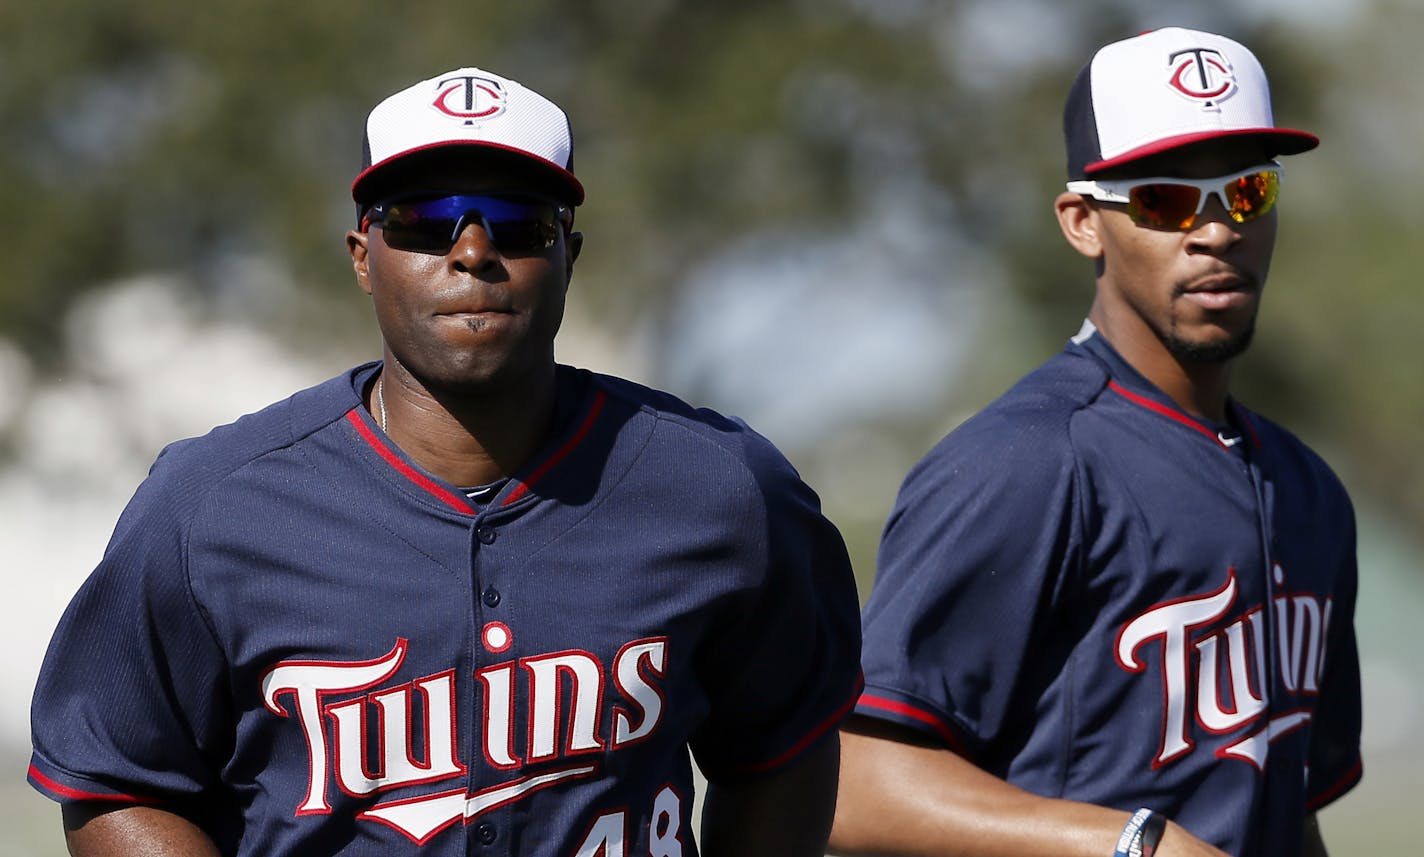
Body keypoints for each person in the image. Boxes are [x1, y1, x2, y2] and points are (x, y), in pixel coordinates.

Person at [28, 66, 863, 857]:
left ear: (571, 252)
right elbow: (115, 778)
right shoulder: (212, 506)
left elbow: (782, 748)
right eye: (426, 220)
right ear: (364, 254)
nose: (471, 251)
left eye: (518, 222)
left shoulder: (723, 489)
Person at [830, 27, 1361, 857]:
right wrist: (1134, 845)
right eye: (1164, 199)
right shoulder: (1024, 461)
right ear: (1083, 222)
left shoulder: (1309, 491)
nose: (1216, 231)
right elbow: (851, 784)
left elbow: (1289, 805)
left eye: (1247, 192)